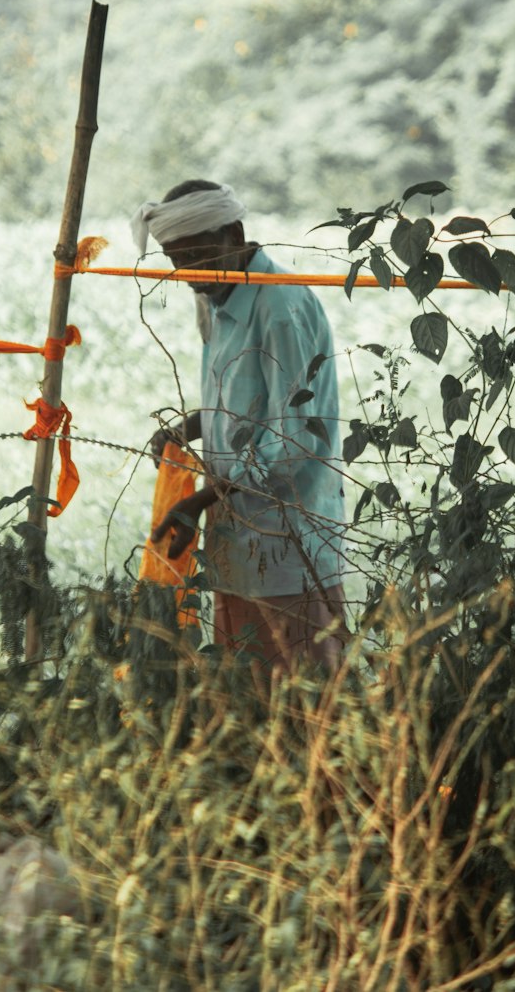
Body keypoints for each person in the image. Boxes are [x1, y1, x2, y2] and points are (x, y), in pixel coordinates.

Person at [131, 179, 347, 671]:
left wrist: (201, 500)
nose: (188, 274)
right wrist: (191, 427)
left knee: (304, 685)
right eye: (176, 261)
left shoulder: (279, 309)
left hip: (287, 533)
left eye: (199, 256)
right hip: (237, 529)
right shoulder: (218, 293)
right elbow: (245, 399)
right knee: (247, 684)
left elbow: (291, 441)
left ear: (236, 232)